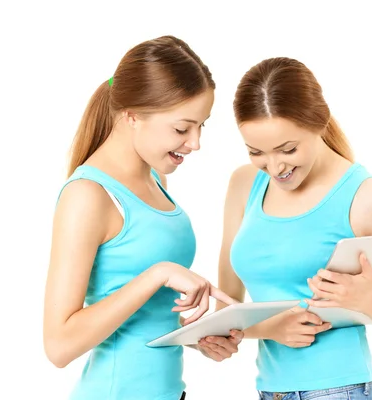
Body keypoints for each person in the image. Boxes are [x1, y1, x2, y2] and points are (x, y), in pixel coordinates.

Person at [42, 35, 242, 400]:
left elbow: (143, 320)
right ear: (132, 115)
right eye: (182, 128)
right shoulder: (88, 196)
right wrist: (158, 274)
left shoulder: (155, 178)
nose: (195, 142)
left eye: (202, 126)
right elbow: (59, 346)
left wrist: (195, 336)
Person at [216, 57, 372, 400]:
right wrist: (261, 330)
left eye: (288, 149)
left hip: (342, 390)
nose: (275, 167)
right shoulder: (244, 184)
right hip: (271, 391)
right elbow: (228, 312)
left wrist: (369, 300)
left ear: (319, 122)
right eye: (256, 152)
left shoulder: (370, 198)